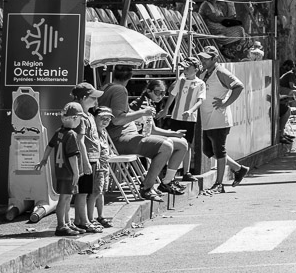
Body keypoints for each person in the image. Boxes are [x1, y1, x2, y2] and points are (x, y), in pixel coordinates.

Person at [99, 65, 186, 201]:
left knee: (180, 144)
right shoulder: (119, 90)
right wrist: (143, 112)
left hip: (125, 137)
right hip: (120, 139)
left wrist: (173, 133)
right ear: (130, 76)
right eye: (159, 93)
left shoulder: (107, 87)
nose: (161, 96)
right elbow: (117, 120)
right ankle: (147, 187)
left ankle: (166, 182)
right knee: (166, 146)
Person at [196, 46, 248, 192]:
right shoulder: (204, 71)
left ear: (215, 59)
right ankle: (238, 169)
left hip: (218, 118)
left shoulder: (221, 72)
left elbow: (238, 86)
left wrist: (225, 103)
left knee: (219, 151)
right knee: (208, 150)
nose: (203, 61)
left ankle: (219, 184)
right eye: (202, 58)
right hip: (207, 118)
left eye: (206, 58)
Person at [42, 102, 89, 237]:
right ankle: (61, 225)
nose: (79, 122)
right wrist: (76, 173)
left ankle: (67, 223)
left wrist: (44, 159)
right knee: (64, 198)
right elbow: (72, 156)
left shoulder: (59, 132)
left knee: (67, 198)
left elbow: (49, 146)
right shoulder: (72, 135)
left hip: (60, 171)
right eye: (79, 119)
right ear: (74, 118)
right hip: (68, 172)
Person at [68, 84, 105, 232]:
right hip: (86, 158)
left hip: (93, 157)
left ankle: (81, 219)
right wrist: (84, 161)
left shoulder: (89, 115)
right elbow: (80, 141)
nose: (96, 101)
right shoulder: (81, 117)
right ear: (83, 98)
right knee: (82, 192)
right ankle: (83, 221)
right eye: (93, 97)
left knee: (86, 191)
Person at [161, 61, 205, 179]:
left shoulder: (200, 83)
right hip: (176, 116)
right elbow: (172, 95)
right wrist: (166, 110)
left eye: (187, 69)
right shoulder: (180, 81)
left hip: (190, 119)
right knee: (173, 144)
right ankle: (171, 172)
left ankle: (186, 172)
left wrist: (191, 111)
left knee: (187, 145)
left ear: (196, 69)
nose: (185, 71)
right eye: (184, 69)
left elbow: (200, 100)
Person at [277, 59, 296, 139]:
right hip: (279, 91)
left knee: (287, 109)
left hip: (282, 93)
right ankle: (281, 133)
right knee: (295, 93)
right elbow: (291, 86)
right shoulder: (290, 74)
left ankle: (283, 132)